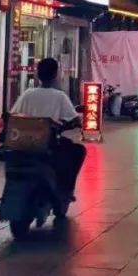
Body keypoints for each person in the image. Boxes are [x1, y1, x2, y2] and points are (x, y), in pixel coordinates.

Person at [9, 57, 86, 200]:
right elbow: (74, 119)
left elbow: (14, 114)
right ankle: (67, 190)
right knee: (78, 151)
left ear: (38, 74)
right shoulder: (60, 96)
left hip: (24, 143)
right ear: (56, 74)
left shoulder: (27, 94)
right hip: (48, 145)